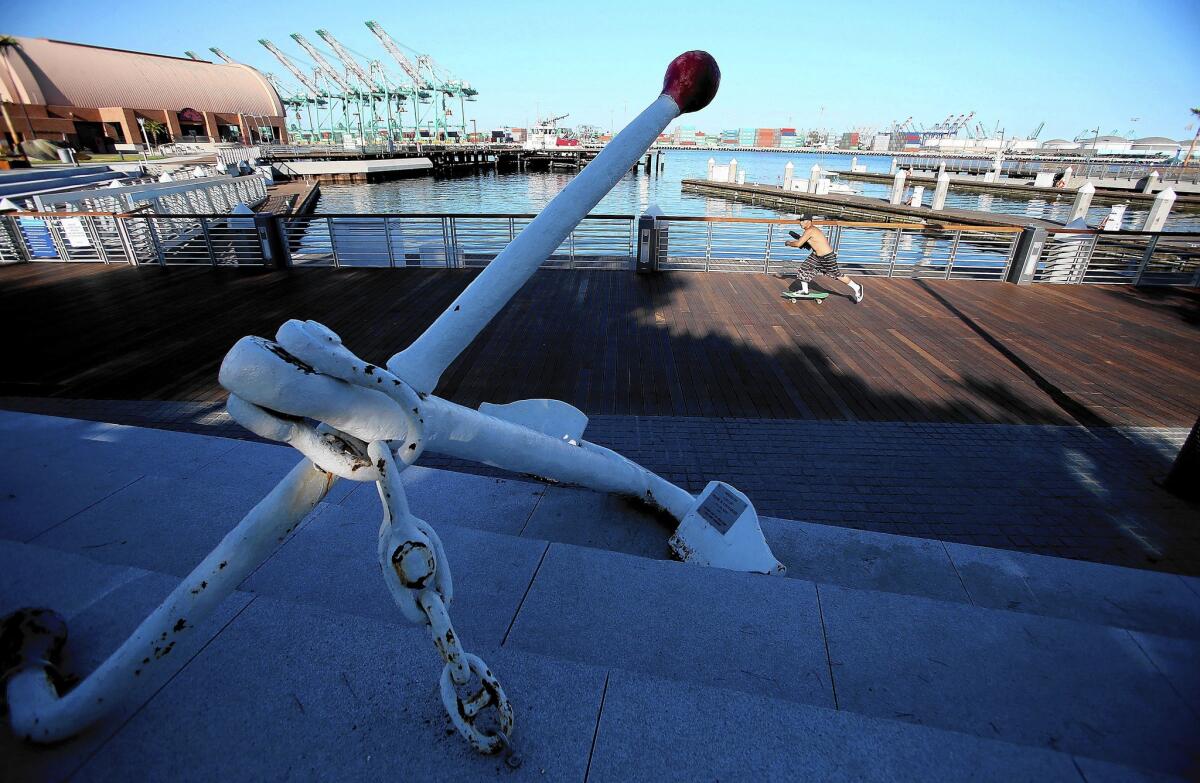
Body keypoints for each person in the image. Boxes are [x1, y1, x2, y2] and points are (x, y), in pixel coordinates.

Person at [783, 214, 864, 303]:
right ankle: (804, 291)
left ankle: (857, 287)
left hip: (827, 257)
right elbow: (811, 244)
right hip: (816, 256)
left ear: (809, 221)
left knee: (836, 275)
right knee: (803, 269)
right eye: (800, 221)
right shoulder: (809, 231)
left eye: (803, 221)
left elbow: (798, 244)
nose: (800, 223)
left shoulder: (810, 230)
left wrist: (788, 243)